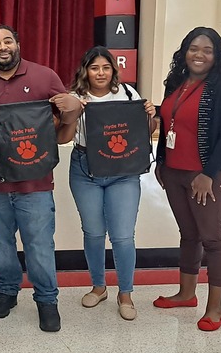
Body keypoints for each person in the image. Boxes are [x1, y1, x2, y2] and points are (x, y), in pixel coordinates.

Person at [0, 25, 80, 332]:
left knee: (40, 244)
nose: (2, 47)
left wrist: (69, 108)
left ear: (18, 44)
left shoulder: (45, 77)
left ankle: (47, 300)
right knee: (1, 243)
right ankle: (7, 292)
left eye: (7, 41)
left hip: (35, 182)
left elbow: (64, 120)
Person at [59, 46, 157, 322]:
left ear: (113, 70)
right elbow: (63, 139)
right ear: (85, 71)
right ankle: (99, 287)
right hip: (84, 168)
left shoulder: (127, 94)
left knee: (123, 235)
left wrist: (150, 115)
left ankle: (125, 293)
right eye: (94, 67)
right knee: (92, 232)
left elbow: (146, 132)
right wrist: (74, 113)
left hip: (122, 169)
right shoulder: (76, 97)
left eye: (105, 67)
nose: (100, 73)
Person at [153, 27, 221, 332]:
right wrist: (161, 161)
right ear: (184, 52)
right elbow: (168, 126)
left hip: (207, 177)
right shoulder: (175, 84)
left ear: (216, 56)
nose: (199, 55)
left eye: (207, 50)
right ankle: (186, 294)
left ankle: (215, 309)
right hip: (174, 172)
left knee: (213, 240)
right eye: (193, 48)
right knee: (188, 235)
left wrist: (208, 174)